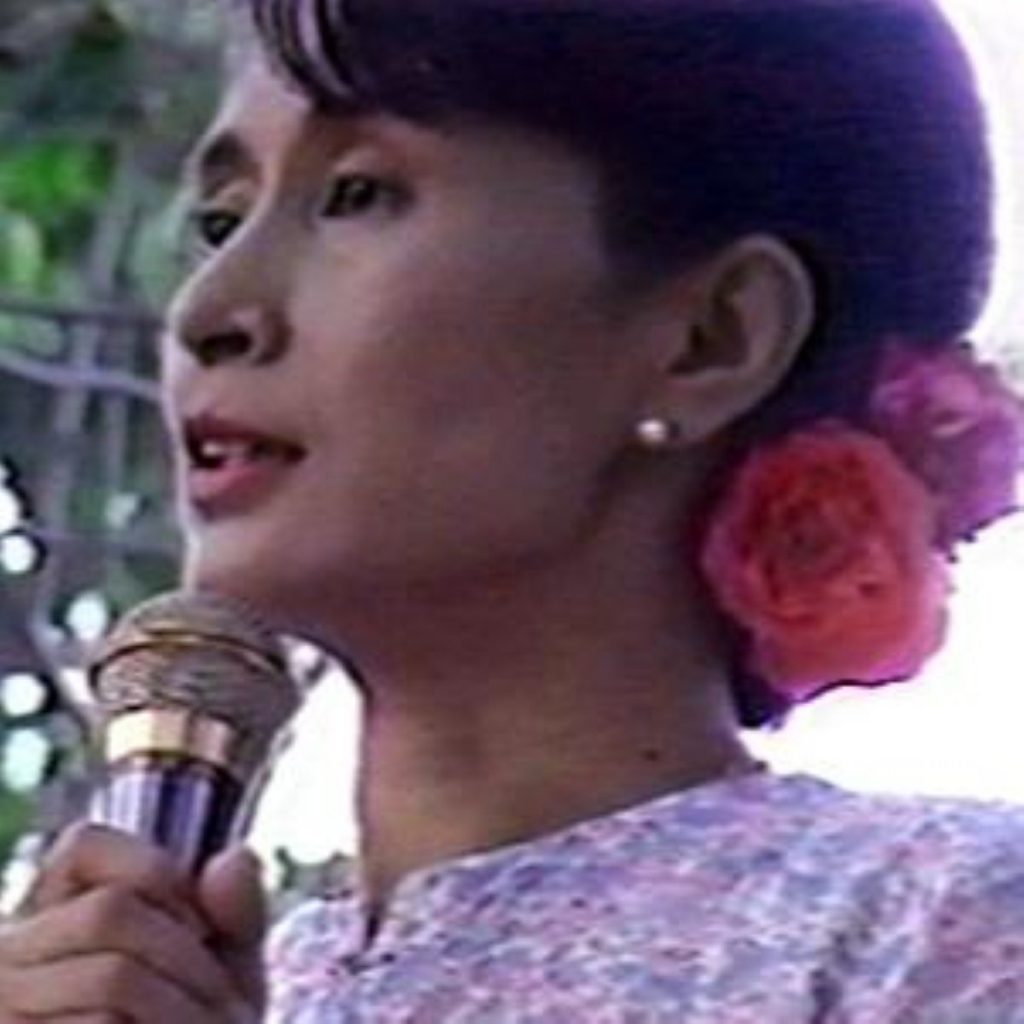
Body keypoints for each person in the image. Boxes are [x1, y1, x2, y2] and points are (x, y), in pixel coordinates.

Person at [2, 0, 1023, 1020]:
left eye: (356, 195)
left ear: (710, 337)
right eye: (219, 221)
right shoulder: (211, 989)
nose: (209, 310)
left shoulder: (939, 926)